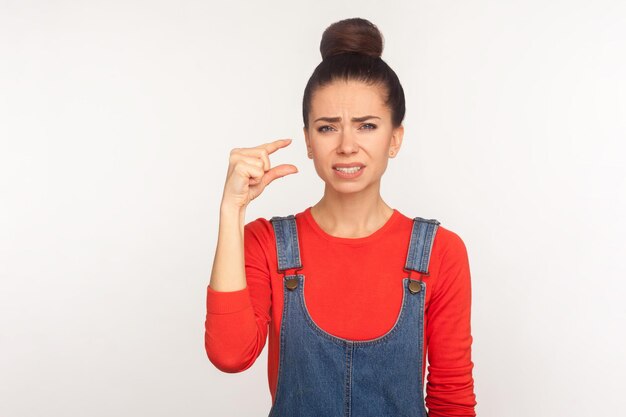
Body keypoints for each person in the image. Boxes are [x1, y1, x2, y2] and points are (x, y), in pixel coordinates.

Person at [205, 17, 477, 417]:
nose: (347, 145)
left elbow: (451, 399)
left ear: (395, 138)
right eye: (328, 127)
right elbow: (230, 356)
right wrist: (232, 210)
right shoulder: (265, 244)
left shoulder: (440, 252)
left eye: (367, 125)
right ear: (309, 142)